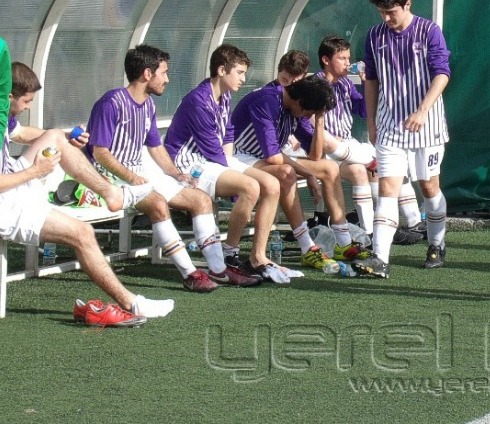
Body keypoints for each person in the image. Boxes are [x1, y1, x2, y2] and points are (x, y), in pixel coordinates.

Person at [3, 60, 173, 325]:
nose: (28, 107)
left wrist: (66, 134)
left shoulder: (3, 111)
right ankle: (133, 303)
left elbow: (20, 132)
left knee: (55, 137)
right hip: (5, 201)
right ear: (9, 95)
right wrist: (36, 171)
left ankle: (112, 193)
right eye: (26, 101)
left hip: (14, 179)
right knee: (83, 234)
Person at [85, 44, 261, 293]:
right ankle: (190, 274)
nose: (167, 79)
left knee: (200, 199)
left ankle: (219, 270)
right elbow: (99, 152)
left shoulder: (147, 105)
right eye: (164, 73)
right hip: (109, 178)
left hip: (138, 174)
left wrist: (175, 173)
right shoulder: (111, 103)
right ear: (147, 74)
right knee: (157, 204)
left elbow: (156, 147)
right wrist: (131, 176)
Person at [164, 44, 297, 284]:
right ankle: (230, 254)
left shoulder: (224, 95)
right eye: (239, 72)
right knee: (250, 187)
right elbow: (211, 150)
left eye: (244, 73)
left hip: (211, 158)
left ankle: (258, 256)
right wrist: (237, 180)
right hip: (188, 163)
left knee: (271, 184)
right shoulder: (199, 100)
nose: (244, 79)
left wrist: (234, 167)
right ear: (222, 70)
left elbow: (227, 134)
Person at [351, 0, 451, 278]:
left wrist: (422, 110)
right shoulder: (374, 36)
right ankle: (379, 258)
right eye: (381, 12)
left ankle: (437, 242)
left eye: (391, 11)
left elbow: (442, 74)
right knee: (387, 189)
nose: (386, 18)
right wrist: (370, 120)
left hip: (427, 126)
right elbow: (371, 80)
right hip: (389, 125)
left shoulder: (430, 31)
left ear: (407, 5)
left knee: (429, 187)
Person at [231, 75, 371, 270]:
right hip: (239, 158)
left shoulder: (297, 108)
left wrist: (320, 120)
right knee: (286, 172)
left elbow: (316, 155)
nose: (307, 117)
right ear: (300, 102)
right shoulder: (267, 101)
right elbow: (272, 156)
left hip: (263, 159)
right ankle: (307, 248)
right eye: (310, 113)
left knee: (329, 168)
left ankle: (344, 243)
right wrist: (308, 174)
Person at [316, 35, 425, 244]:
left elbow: (365, 110)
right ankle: (369, 231)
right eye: (342, 58)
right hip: (324, 151)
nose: (348, 63)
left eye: (349, 58)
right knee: (365, 167)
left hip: (346, 148)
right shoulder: (316, 85)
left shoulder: (345, 84)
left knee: (385, 166)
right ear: (326, 60)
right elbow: (307, 123)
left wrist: (367, 85)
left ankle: (409, 222)